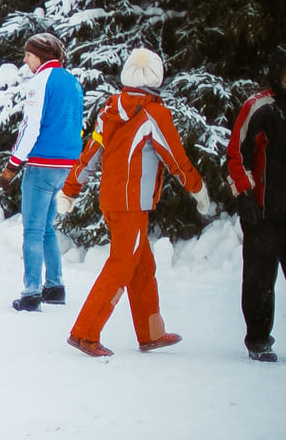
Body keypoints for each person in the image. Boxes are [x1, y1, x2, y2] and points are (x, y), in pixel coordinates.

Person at [58, 47, 211, 357]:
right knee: (121, 266)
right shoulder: (155, 113)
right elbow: (175, 157)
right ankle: (85, 333)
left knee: (143, 266)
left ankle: (150, 333)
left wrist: (71, 189)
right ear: (157, 76)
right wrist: (197, 189)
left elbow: (92, 151)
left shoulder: (110, 109)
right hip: (131, 205)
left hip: (114, 201)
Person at [0, 32, 86, 312]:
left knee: (33, 230)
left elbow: (30, 127)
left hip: (42, 163)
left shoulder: (40, 82)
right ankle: (55, 287)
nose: (25, 60)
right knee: (48, 227)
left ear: (42, 56)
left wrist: (13, 165)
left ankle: (31, 293)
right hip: (68, 163)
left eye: (29, 54)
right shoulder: (72, 81)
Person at [225, 42, 286, 361]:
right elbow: (235, 156)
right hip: (264, 212)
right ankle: (258, 339)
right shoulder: (261, 106)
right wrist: (244, 195)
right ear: (278, 71)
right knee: (260, 281)